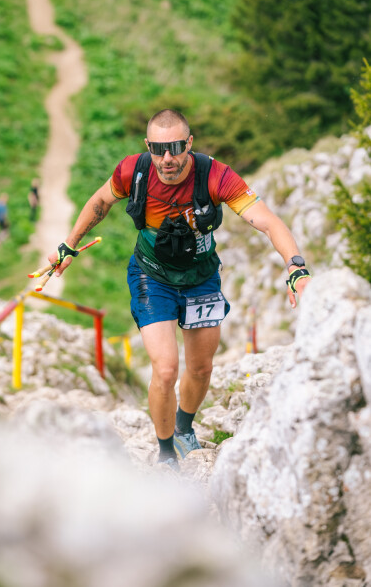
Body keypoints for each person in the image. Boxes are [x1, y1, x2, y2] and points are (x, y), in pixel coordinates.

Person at [47, 109, 311, 470]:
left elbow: (267, 221)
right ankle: (166, 451)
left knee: (201, 368)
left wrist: (295, 267)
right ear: (148, 146)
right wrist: (68, 246)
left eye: (174, 147)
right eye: (158, 148)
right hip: (151, 276)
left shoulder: (215, 176)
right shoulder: (133, 171)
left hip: (201, 278)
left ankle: (185, 427)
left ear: (189, 143)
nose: (167, 158)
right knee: (167, 369)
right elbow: (100, 202)